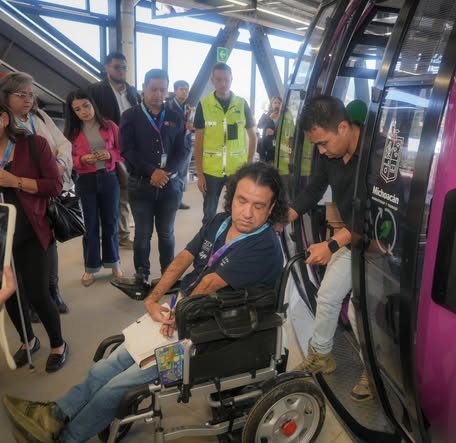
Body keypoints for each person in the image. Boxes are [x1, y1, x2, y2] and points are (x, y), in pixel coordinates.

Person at [2, 162, 288, 443]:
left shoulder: (264, 246)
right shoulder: (220, 221)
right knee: (105, 367)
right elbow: (183, 259)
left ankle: (67, 438)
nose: (247, 213)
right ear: (232, 195)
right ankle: (55, 413)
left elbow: (208, 285)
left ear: (271, 208)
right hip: (187, 313)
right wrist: (152, 299)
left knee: (116, 387)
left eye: (258, 206)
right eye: (242, 200)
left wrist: (177, 317)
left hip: (212, 336)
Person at [289, 95, 372, 401]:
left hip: (378, 245)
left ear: (344, 128)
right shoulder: (330, 154)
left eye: (323, 143)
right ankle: (322, 355)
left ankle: (375, 374)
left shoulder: (376, 155)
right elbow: (314, 188)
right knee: (328, 294)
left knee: (358, 311)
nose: (321, 151)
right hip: (351, 239)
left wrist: (332, 244)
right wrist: (286, 215)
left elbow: (373, 214)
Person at [0, 101, 68, 372]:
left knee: (38, 293)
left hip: (32, 228)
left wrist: (14, 181)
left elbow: (55, 185)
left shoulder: (34, 144)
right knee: (9, 294)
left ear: (4, 119)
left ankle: (58, 344)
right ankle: (28, 340)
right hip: (1, 237)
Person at [0, 72, 72, 315]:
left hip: (47, 188)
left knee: (49, 242)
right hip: (21, 196)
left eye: (31, 95)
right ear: (5, 97)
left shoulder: (39, 116)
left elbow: (63, 143)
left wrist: (60, 162)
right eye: (21, 95)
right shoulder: (4, 125)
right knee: (21, 250)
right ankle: (30, 298)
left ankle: (53, 290)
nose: (28, 100)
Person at [116, 68, 190, 290]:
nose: (158, 94)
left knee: (166, 233)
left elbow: (183, 149)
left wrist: (166, 172)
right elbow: (127, 150)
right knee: (143, 234)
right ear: (144, 88)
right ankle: (142, 276)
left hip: (170, 185)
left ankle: (168, 276)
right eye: (154, 89)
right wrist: (152, 172)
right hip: (141, 184)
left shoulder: (175, 117)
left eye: (163, 90)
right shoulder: (130, 116)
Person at [64, 89, 124, 287]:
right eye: (77, 109)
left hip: (109, 179)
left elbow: (122, 149)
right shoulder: (71, 133)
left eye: (86, 105)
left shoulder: (109, 125)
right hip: (85, 181)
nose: (83, 111)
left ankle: (114, 263)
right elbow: (67, 158)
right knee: (89, 226)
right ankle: (90, 267)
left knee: (111, 223)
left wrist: (110, 155)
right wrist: (81, 159)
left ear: (93, 104)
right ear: (73, 112)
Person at [88, 52, 141, 250]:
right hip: (106, 150)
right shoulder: (95, 91)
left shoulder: (132, 91)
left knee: (126, 192)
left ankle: (123, 234)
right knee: (109, 193)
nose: (121, 71)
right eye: (117, 67)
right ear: (106, 68)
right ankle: (110, 236)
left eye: (124, 68)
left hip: (130, 148)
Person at [193, 63, 257, 226]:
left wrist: (248, 166)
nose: (223, 83)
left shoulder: (241, 104)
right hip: (211, 171)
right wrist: (200, 174)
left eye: (226, 79)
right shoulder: (204, 105)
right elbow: (198, 143)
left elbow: (253, 136)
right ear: (212, 80)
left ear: (231, 79)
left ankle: (231, 240)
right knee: (209, 214)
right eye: (219, 79)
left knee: (236, 211)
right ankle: (207, 240)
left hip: (237, 170)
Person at [165, 80, 194, 210]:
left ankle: (178, 199)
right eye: (182, 89)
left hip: (186, 144)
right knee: (172, 173)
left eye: (186, 90)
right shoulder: (168, 106)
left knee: (182, 173)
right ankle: (171, 200)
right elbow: (167, 127)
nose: (184, 92)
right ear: (175, 90)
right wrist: (183, 126)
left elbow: (191, 125)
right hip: (173, 146)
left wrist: (192, 126)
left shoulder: (188, 107)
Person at [257, 96, 282, 163]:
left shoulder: (283, 118)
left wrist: (274, 133)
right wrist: (269, 118)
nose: (277, 105)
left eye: (279, 103)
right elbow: (259, 125)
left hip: (278, 148)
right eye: (275, 103)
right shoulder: (265, 115)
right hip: (265, 148)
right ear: (271, 104)